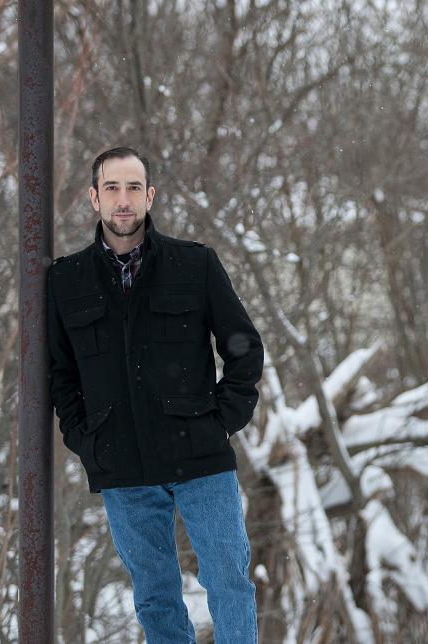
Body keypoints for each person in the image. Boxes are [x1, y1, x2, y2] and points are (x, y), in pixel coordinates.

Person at [46, 146, 264, 643]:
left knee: (228, 580)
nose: (123, 200)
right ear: (94, 198)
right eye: (112, 188)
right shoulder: (66, 280)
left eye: (133, 188)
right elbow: (62, 374)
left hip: (201, 459)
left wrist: (220, 421)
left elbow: (244, 348)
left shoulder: (195, 264)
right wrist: (87, 440)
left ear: (150, 196)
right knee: (154, 594)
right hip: (122, 466)